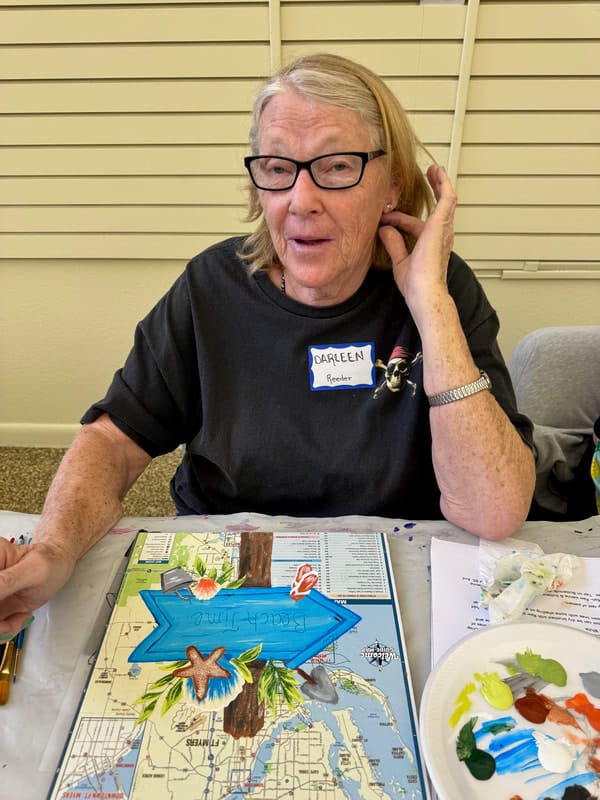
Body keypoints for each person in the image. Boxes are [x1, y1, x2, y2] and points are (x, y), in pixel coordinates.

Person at [0, 52, 535, 638]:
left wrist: (430, 305)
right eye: (278, 168)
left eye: (337, 166)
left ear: (392, 187)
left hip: (394, 579)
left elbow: (493, 511)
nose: (301, 200)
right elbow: (113, 441)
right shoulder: (210, 287)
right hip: (230, 583)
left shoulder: (441, 286)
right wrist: (53, 549)